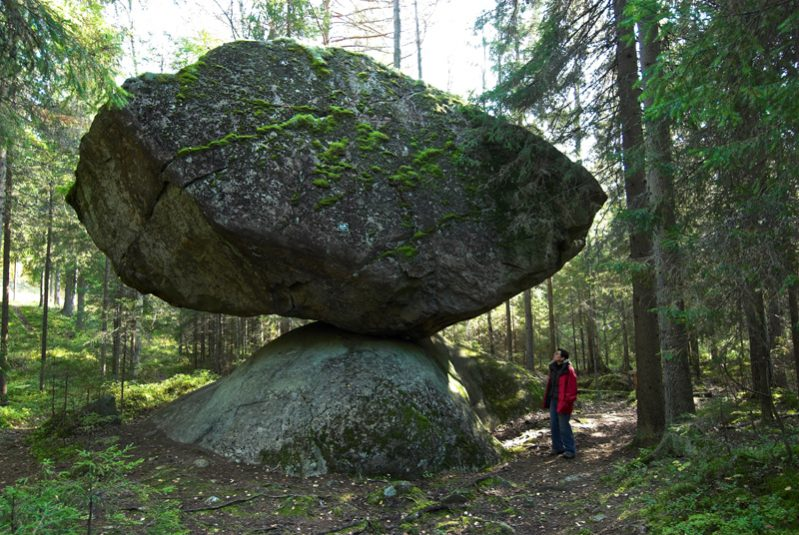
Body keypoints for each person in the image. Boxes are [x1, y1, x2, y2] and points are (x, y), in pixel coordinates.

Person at [542, 348, 578, 459]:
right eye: (555, 352)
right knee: (554, 425)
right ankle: (557, 447)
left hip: (564, 401)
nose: (554, 354)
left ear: (563, 358)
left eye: (557, 353)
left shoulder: (568, 369)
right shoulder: (552, 368)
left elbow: (572, 389)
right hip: (553, 400)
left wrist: (567, 402)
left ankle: (570, 450)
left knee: (564, 426)